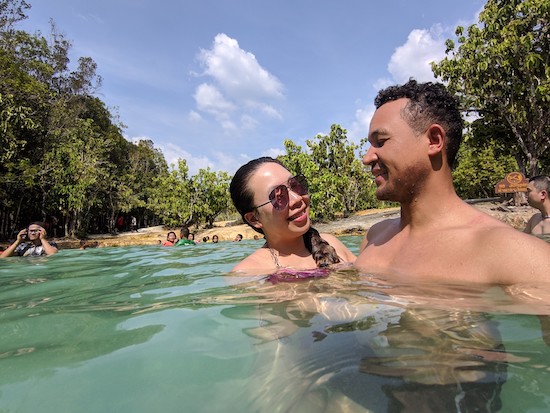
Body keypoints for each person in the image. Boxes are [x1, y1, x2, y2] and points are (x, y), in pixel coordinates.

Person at [355, 79, 550, 284]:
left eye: (381, 142)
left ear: (434, 141)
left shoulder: (514, 254)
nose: (367, 158)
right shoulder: (374, 237)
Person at [229, 157, 356, 274]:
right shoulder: (249, 272)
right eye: (278, 197)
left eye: (295, 186)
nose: (297, 198)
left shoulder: (332, 244)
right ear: (254, 219)